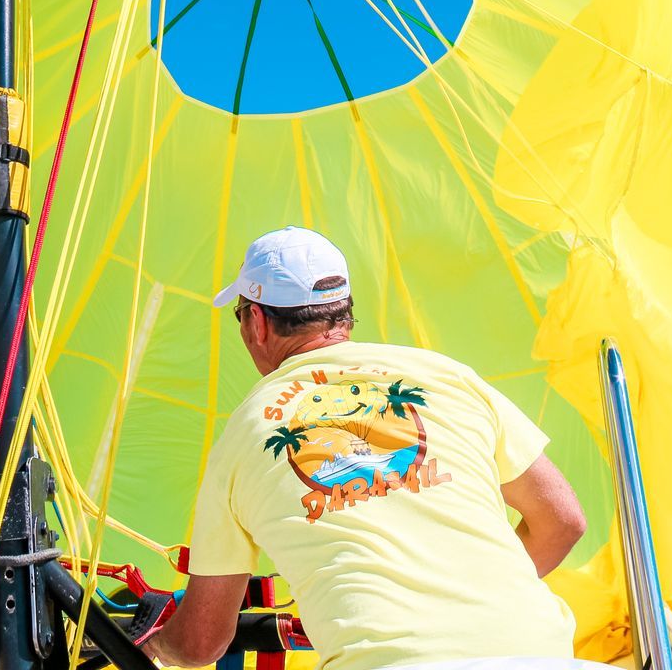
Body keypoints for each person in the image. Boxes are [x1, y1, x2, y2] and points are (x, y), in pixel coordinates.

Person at [149, 227, 586, 670]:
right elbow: (562, 520)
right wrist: (479, 610)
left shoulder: (245, 432)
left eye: (240, 315)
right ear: (344, 314)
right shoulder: (448, 375)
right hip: (544, 655)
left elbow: (200, 643)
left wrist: (153, 644)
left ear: (257, 322)